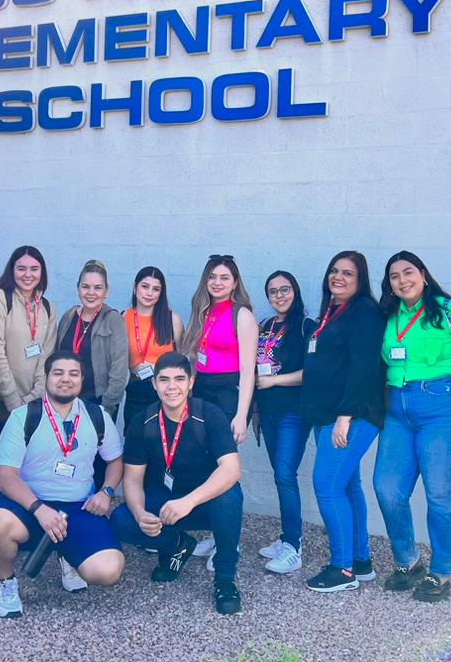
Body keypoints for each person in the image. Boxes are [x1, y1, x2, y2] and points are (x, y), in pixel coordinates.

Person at [0, 351, 125, 619]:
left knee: (108, 571)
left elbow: (115, 461)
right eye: (58, 373)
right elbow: (4, 476)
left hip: (79, 507)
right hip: (29, 505)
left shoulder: (97, 416)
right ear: (46, 377)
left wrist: (106, 492)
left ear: (82, 379)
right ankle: (6, 583)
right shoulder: (23, 416)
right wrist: (39, 509)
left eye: (73, 374)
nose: (66, 379)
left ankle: (68, 555)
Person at [371, 250, 451, 602]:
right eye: (394, 276)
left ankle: (443, 571)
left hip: (443, 407)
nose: (402, 280)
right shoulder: (388, 316)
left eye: (408, 272)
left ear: (422, 273)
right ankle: (408, 561)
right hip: (397, 409)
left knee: (440, 495)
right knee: (387, 488)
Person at [110, 352, 244, 615]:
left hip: (203, 502)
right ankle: (177, 545)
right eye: (164, 380)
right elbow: (133, 479)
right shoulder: (143, 421)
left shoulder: (210, 414)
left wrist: (188, 502)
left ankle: (225, 579)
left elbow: (231, 469)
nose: (172, 387)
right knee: (122, 519)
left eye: (179, 379)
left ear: (191, 382)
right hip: (166, 501)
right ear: (154, 384)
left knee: (229, 497)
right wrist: (140, 513)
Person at [301, 251, 386, 592]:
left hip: (351, 416)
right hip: (326, 415)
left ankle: (342, 569)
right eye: (334, 270)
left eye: (348, 273)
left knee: (326, 486)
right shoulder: (332, 311)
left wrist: (344, 417)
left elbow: (364, 368)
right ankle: (360, 560)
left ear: (360, 279)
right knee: (348, 486)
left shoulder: (364, 313)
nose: (338, 277)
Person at [178, 254, 259, 563]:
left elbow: (248, 371)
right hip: (201, 392)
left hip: (228, 396)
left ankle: (230, 544)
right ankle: (216, 532)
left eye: (224, 277)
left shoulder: (242, 315)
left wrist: (241, 415)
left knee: (225, 469)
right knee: (208, 466)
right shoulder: (203, 311)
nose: (217, 282)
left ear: (235, 282)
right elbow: (195, 358)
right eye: (212, 277)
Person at [254, 270, 316, 574]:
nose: (279, 296)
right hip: (267, 411)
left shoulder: (306, 326)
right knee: (280, 475)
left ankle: (294, 546)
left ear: (295, 291)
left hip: (294, 412)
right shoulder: (264, 326)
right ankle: (285, 537)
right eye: (273, 291)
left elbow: (312, 372)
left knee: (285, 475)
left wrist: (275, 381)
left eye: (285, 289)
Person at [0, 246, 56, 498]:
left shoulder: (47, 307)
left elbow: (46, 356)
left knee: (28, 466)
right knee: (4, 466)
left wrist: (34, 396)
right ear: (11, 270)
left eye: (34, 269)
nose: (28, 274)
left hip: (33, 402)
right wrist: (13, 400)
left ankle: (24, 518)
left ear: (42, 272)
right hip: (3, 402)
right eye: (21, 268)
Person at [54, 260, 128, 418]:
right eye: (85, 286)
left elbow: (119, 369)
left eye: (98, 287)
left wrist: (107, 408)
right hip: (64, 400)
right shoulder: (69, 316)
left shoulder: (113, 319)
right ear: (78, 289)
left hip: (96, 403)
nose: (91, 293)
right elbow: (56, 355)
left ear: (106, 291)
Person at [121, 266, 184, 439]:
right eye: (145, 286)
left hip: (167, 392)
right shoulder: (123, 317)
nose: (149, 293)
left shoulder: (172, 320)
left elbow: (183, 360)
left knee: (165, 443)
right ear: (135, 287)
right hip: (136, 390)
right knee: (135, 442)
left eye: (156, 289)